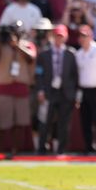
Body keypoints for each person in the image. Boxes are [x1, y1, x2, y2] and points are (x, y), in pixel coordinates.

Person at [0, 21, 36, 155]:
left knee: (20, 122)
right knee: (0, 122)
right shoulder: (0, 45)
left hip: (21, 87)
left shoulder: (27, 45)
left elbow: (31, 58)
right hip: (1, 87)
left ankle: (15, 151)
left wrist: (16, 46)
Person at [36, 25, 79, 154]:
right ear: (52, 37)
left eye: (61, 36)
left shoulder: (71, 54)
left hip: (65, 93)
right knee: (45, 121)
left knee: (64, 123)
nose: (58, 39)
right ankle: (42, 148)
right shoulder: (44, 54)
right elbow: (39, 74)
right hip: (49, 92)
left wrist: (75, 95)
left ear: (65, 37)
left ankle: (61, 149)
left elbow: (75, 76)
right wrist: (40, 90)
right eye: (56, 36)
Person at [75, 24, 96, 153]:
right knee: (85, 121)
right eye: (81, 36)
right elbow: (78, 75)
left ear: (91, 36)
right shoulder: (78, 54)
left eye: (85, 36)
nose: (83, 39)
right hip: (84, 90)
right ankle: (89, 147)